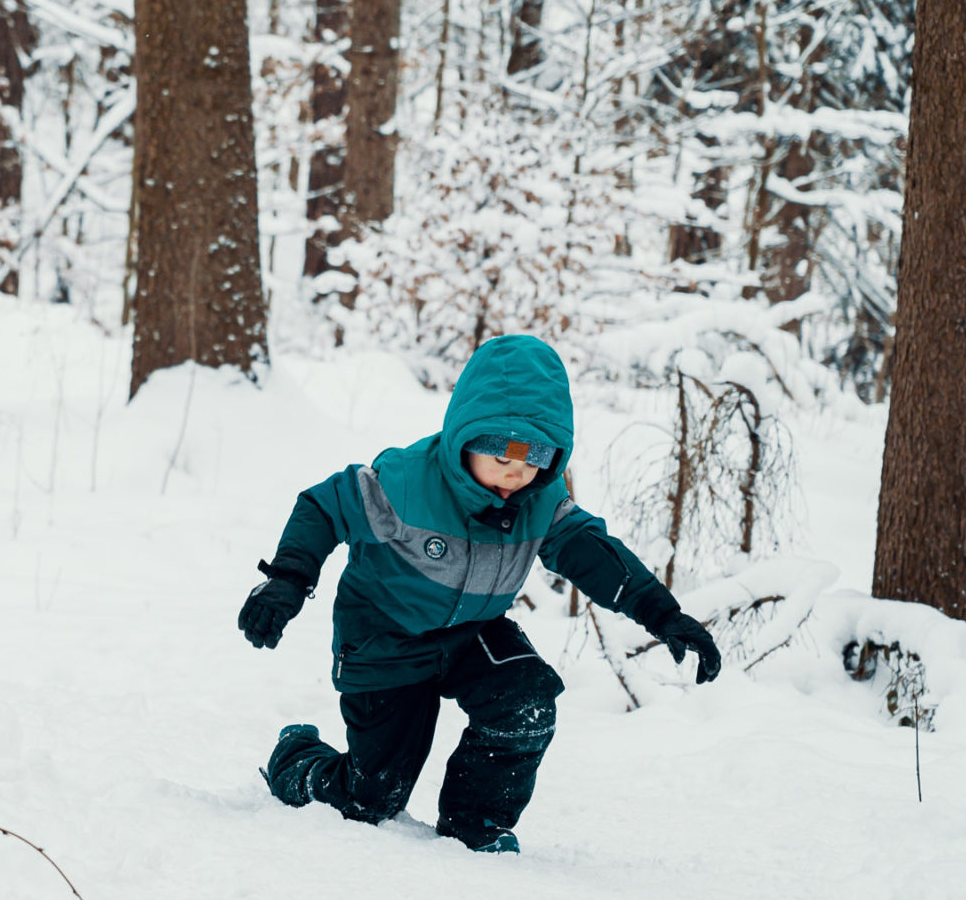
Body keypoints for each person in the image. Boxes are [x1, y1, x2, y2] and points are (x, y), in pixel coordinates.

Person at [237, 333, 720, 853]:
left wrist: (663, 615)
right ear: (465, 438)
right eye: (503, 458)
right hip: (385, 639)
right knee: (371, 800)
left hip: (471, 634)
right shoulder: (401, 482)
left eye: (535, 460)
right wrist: (287, 581)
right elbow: (321, 507)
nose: (517, 476)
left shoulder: (540, 501)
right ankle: (296, 759)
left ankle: (476, 823)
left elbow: (592, 553)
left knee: (527, 700)